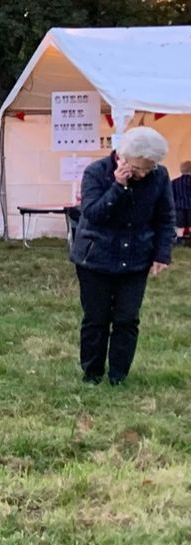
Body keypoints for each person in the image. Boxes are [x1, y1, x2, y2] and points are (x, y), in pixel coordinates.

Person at [70, 126, 174, 385]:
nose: (145, 172)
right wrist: (118, 186)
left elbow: (165, 217)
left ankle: (119, 376)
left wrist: (162, 253)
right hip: (95, 257)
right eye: (141, 167)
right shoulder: (96, 173)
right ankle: (92, 373)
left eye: (150, 167)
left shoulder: (159, 177)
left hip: (136, 258)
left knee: (127, 319)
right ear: (123, 158)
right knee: (96, 318)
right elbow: (92, 214)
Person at [173, 160, 191, 240]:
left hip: (179, 208)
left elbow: (172, 196)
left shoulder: (174, 182)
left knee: (180, 227)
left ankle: (180, 241)